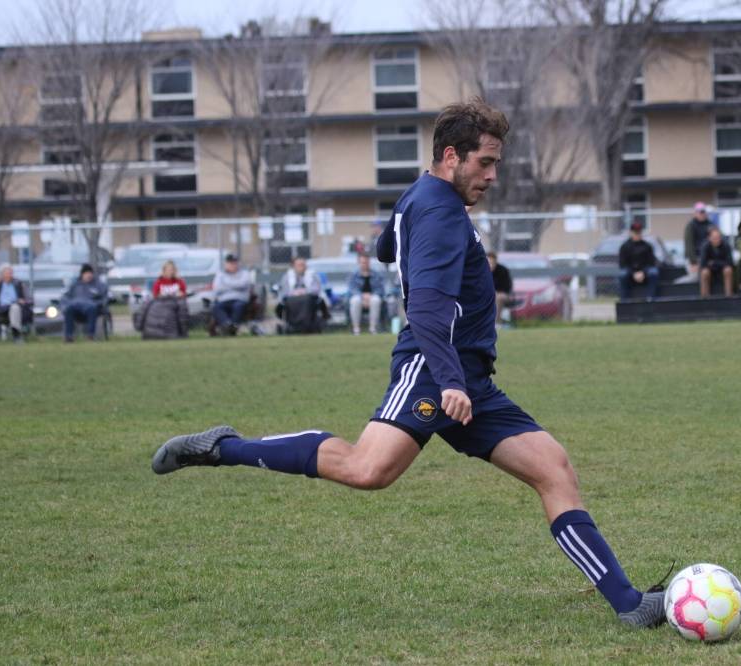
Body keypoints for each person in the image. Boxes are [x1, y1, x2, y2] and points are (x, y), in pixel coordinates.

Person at [152, 99, 669, 629]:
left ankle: (629, 604)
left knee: (553, 468)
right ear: (451, 156)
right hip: (433, 369)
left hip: (467, 378)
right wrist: (448, 380)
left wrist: (456, 368)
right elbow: (424, 308)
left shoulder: (423, 197)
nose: (493, 175)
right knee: (367, 469)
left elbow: (386, 247)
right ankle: (223, 448)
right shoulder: (441, 213)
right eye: (485, 162)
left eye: (496, 163)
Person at [61, 264, 109, 342]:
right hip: (76, 308)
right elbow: (66, 297)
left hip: (92, 308)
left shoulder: (99, 285)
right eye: (86, 273)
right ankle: (68, 336)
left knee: (92, 308)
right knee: (69, 309)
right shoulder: (75, 285)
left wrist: (99, 304)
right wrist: (64, 306)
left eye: (90, 273)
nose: (88, 275)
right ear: (82, 274)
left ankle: (90, 336)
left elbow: (104, 298)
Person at [211, 254, 253, 336]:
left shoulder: (245, 274)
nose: (233, 265)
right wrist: (235, 285)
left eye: (235, 263)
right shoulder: (220, 274)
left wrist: (226, 284)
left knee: (238, 306)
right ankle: (227, 325)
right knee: (217, 307)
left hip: (239, 299)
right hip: (223, 300)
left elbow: (242, 285)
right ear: (226, 264)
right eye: (230, 263)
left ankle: (234, 326)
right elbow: (217, 288)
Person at [617, 221, 660, 301]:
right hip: (630, 272)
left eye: (639, 233)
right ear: (631, 233)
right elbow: (622, 264)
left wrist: (642, 272)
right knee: (622, 274)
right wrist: (634, 273)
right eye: (635, 233)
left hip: (644, 272)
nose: (637, 235)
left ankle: (651, 298)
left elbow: (651, 262)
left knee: (653, 272)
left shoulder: (647, 246)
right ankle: (624, 301)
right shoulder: (625, 246)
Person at [348, 253, 385, 335]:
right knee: (355, 300)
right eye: (363, 262)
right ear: (359, 262)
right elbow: (352, 289)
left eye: (366, 262)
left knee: (376, 300)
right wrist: (362, 296)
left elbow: (380, 289)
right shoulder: (353, 275)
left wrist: (370, 296)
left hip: (372, 297)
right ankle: (356, 328)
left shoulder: (376, 274)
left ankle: (373, 328)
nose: (365, 264)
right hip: (359, 298)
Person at [699, 227, 735, 298]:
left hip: (722, 270)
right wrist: (720, 263)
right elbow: (703, 263)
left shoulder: (726, 245)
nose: (717, 240)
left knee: (728, 270)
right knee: (704, 272)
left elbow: (730, 262)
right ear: (709, 238)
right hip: (710, 270)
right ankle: (704, 297)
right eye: (714, 238)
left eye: (719, 237)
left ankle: (729, 296)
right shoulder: (705, 246)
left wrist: (714, 262)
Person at [684, 202, 714, 275]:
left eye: (704, 212)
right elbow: (689, 244)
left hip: (707, 257)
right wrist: (693, 262)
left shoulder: (710, 224)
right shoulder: (691, 225)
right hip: (695, 257)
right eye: (701, 212)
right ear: (695, 213)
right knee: (695, 276)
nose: (703, 214)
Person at [486, 251, 512, 324]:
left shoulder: (503, 270)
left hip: (501, 295)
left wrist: (496, 293)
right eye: (489, 263)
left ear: (496, 262)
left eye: (492, 263)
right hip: (486, 295)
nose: (491, 265)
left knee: (499, 298)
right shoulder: (482, 271)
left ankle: (496, 322)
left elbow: (507, 287)